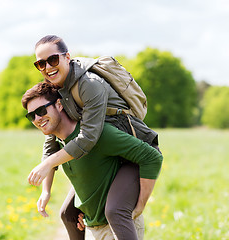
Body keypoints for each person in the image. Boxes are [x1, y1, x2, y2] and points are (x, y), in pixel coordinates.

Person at [28, 35, 161, 239]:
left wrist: (140, 205)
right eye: (40, 63)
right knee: (68, 214)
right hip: (104, 151)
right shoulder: (58, 88)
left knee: (115, 211)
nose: (47, 67)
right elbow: (51, 141)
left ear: (67, 57)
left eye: (52, 60)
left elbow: (88, 137)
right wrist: (46, 190)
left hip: (127, 150)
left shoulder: (89, 84)